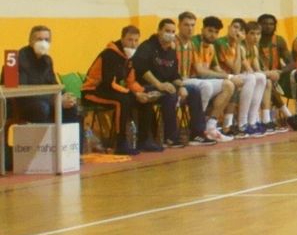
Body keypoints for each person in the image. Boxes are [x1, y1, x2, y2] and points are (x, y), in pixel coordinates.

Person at [84, 26, 163, 154]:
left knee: (145, 98)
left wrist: (140, 92)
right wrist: (133, 94)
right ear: (122, 39)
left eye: (136, 40)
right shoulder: (109, 55)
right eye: (130, 40)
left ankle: (144, 140)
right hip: (93, 91)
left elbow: (130, 81)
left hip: (110, 90)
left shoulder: (129, 57)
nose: (133, 44)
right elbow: (110, 83)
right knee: (122, 101)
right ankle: (121, 143)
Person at [134, 19, 199, 147]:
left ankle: (198, 134)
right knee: (170, 94)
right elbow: (142, 70)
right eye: (167, 31)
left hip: (165, 85)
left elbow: (174, 74)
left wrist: (181, 86)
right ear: (159, 31)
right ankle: (170, 138)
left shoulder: (171, 50)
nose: (170, 34)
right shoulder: (147, 46)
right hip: (146, 86)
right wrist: (159, 85)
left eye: (173, 32)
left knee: (194, 90)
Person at [176, 12, 235, 143]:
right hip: (182, 81)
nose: (190, 28)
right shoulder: (180, 43)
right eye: (186, 25)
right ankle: (197, 130)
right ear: (179, 25)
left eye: (192, 25)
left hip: (190, 80)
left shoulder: (191, 44)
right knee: (207, 85)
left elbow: (213, 69)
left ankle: (211, 127)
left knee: (228, 85)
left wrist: (230, 77)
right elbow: (200, 71)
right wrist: (229, 75)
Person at [14, 25, 81, 125]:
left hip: (47, 100)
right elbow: (23, 92)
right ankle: (47, 140)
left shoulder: (47, 60)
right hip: (26, 104)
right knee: (43, 108)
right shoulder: (18, 58)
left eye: (46, 40)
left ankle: (72, 140)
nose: (43, 43)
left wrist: (65, 96)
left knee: (72, 107)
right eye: (39, 39)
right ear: (30, 41)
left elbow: (54, 84)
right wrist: (56, 101)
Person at [215, 18, 269, 136]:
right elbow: (236, 69)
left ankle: (252, 121)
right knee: (251, 78)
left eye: (240, 30)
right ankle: (242, 123)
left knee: (261, 77)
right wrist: (239, 45)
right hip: (224, 77)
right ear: (229, 27)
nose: (237, 32)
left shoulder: (248, 46)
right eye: (235, 27)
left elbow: (255, 69)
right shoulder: (222, 43)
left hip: (235, 78)